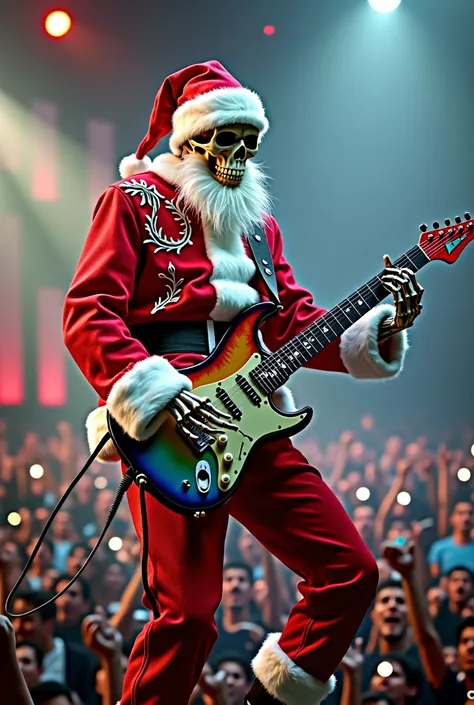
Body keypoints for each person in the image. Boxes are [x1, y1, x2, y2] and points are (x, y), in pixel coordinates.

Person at [63, 60, 423, 705]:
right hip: (172, 424)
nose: (239, 155)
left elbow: (292, 320)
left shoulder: (259, 226)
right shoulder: (132, 202)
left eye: (250, 142)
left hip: (253, 416)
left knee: (349, 572)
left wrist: (381, 327)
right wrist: (154, 394)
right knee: (188, 617)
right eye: (224, 139)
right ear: (189, 140)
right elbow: (89, 311)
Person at [382, 540, 474, 704]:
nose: (471, 647)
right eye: (465, 641)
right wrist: (408, 576)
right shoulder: (452, 689)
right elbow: (426, 638)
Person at [10, 590, 97, 705]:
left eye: (27, 620)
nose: (17, 626)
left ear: (49, 623)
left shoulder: (81, 660)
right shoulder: (7, 658)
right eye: (14, 618)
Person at [428, 501, 474, 577]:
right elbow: (435, 579)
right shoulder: (439, 548)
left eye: (470, 513)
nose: (466, 518)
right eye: (460, 513)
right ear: (452, 519)